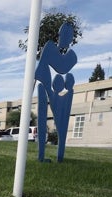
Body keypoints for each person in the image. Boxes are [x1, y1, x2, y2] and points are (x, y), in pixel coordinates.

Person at [35, 23, 77, 162]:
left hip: (50, 89)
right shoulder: (50, 47)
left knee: (60, 123)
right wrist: (71, 57)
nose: (70, 40)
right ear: (62, 35)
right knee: (42, 120)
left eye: (71, 37)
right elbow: (62, 67)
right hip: (44, 87)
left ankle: (57, 156)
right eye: (69, 36)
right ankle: (41, 156)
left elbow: (62, 67)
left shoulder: (53, 49)